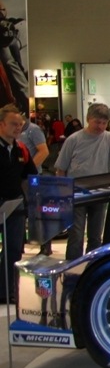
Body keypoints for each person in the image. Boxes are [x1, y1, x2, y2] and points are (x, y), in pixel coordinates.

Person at [54, 103, 110, 261]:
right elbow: (61, 169)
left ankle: (93, 266)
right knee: (76, 235)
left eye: (104, 123)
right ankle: (72, 268)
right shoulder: (73, 139)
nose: (101, 126)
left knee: (95, 236)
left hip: (100, 193)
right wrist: (63, 194)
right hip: (76, 194)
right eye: (97, 122)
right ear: (88, 119)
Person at [0, 105, 36, 303]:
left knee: (14, 248)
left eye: (20, 124)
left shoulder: (21, 149)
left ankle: (6, 291)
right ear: (1, 125)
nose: (18, 127)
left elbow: (29, 176)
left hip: (15, 204)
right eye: (13, 124)